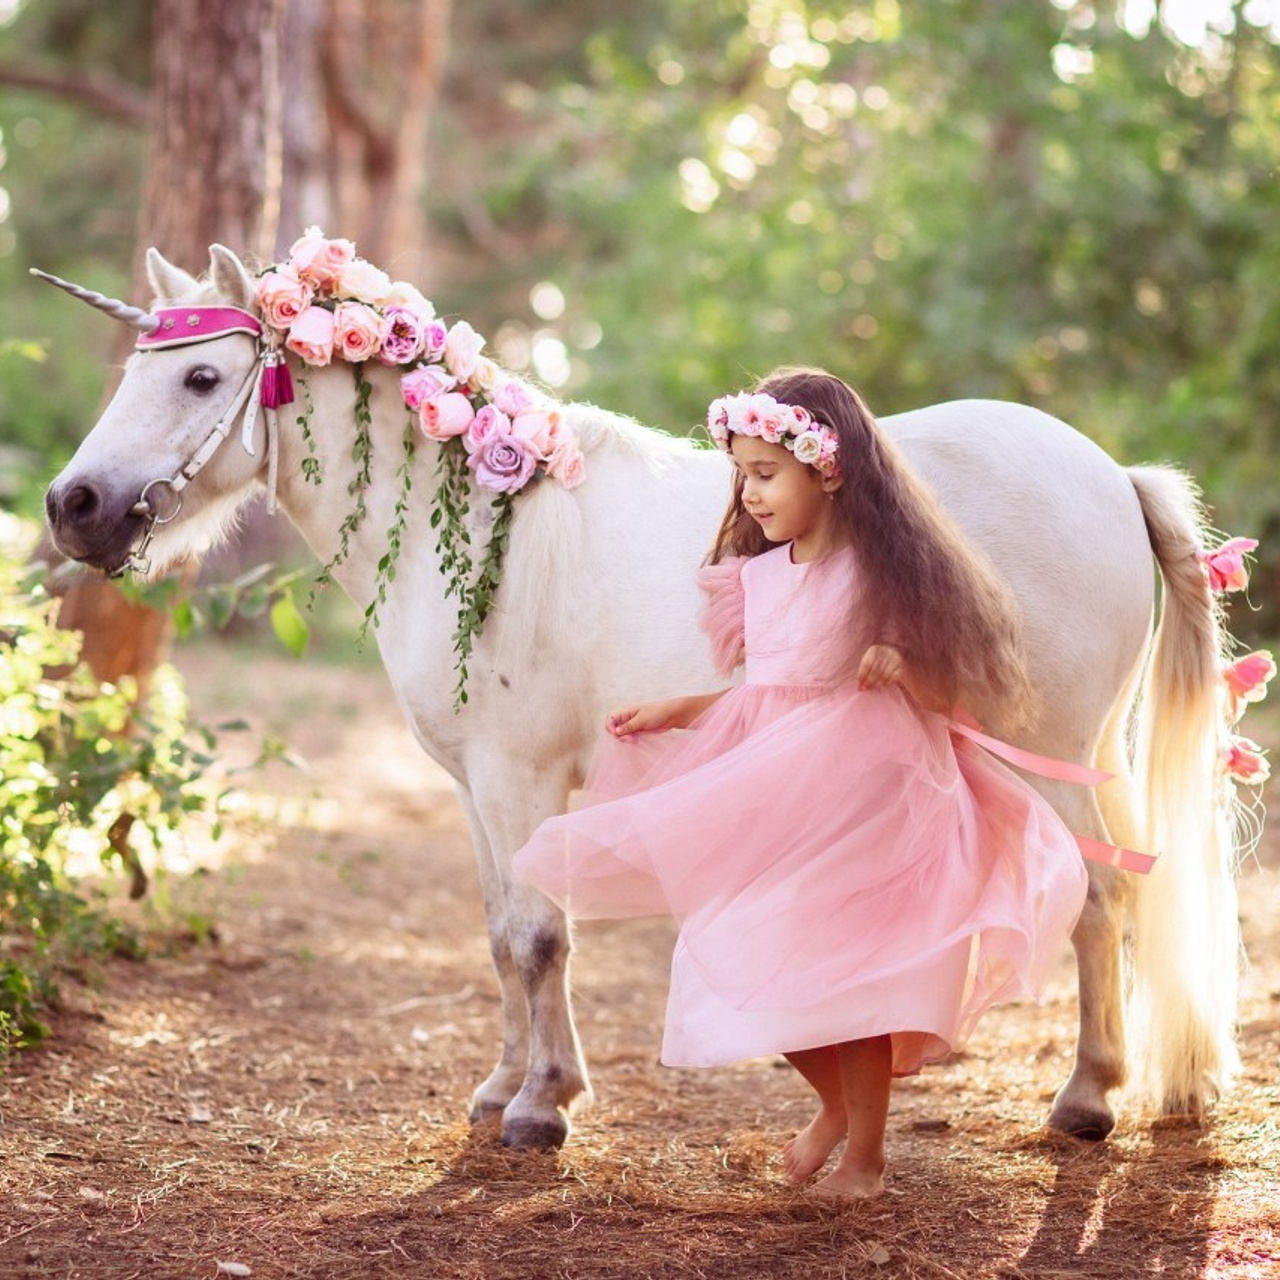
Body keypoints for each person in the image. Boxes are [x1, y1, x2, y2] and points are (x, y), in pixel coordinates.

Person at [512, 367, 1089, 1200]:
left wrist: (905, 664)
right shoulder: (760, 577)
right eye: (741, 473)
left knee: (849, 983)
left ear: (830, 469)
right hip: (780, 794)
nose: (748, 493)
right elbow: (766, 690)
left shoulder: (881, 574)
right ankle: (833, 1110)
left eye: (765, 473)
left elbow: (947, 693)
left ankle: (866, 1157)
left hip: (868, 792)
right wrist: (681, 709)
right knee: (756, 964)